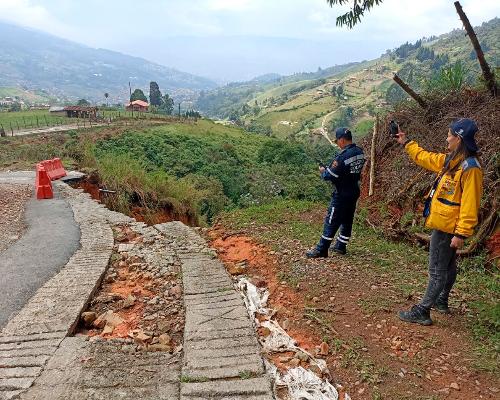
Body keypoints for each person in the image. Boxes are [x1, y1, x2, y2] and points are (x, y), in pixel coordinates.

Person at [396, 118, 483, 325]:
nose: (447, 139)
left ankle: (423, 310)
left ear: (459, 138)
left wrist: (461, 233)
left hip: (448, 228)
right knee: (448, 266)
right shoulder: (452, 160)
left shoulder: (470, 168)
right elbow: (426, 158)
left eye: (450, 135)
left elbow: (471, 203)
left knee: (437, 269)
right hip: (446, 224)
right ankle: (441, 301)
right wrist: (407, 143)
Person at [306, 127, 365, 258]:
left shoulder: (342, 157)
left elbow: (330, 176)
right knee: (347, 219)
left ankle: (322, 249)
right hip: (354, 190)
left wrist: (323, 171)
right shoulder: (360, 152)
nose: (337, 143)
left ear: (342, 140)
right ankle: (341, 246)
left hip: (342, 193)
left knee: (331, 219)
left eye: (337, 141)